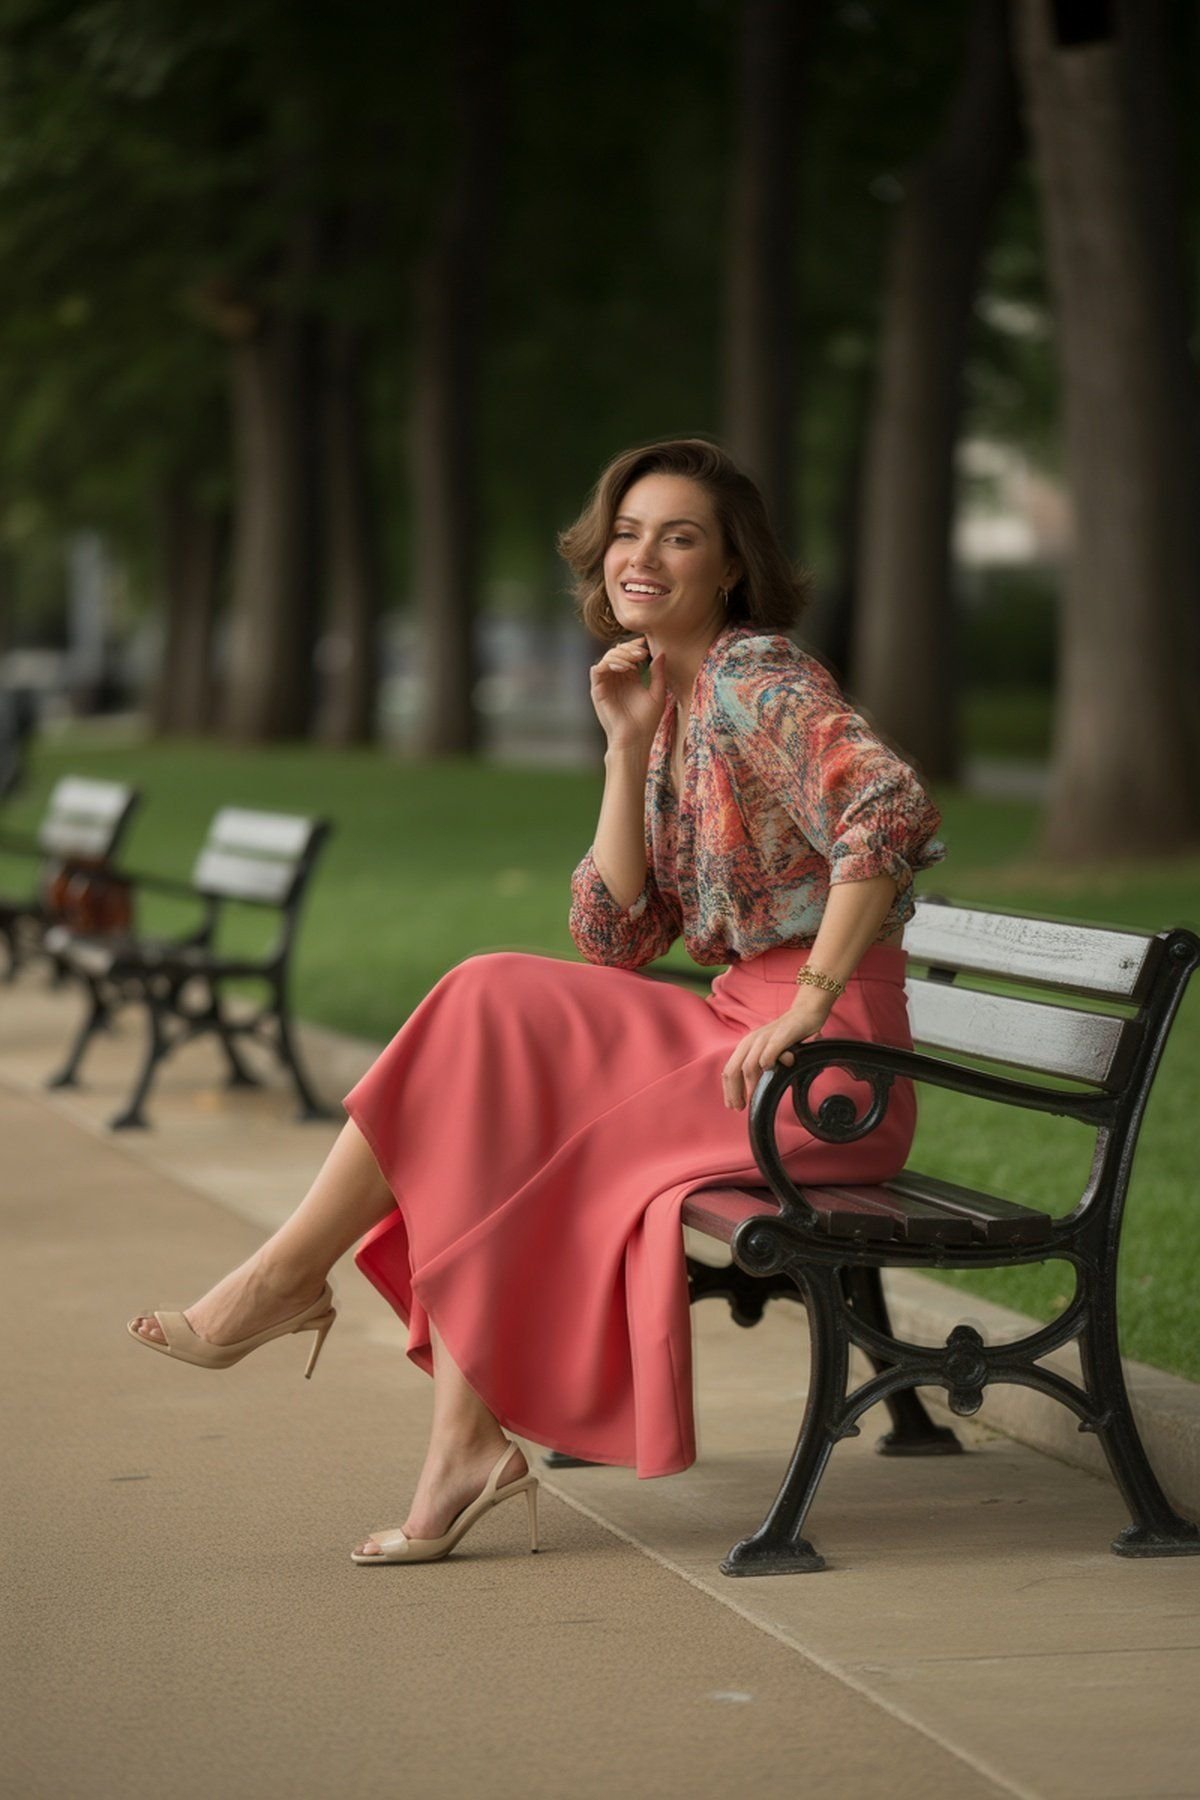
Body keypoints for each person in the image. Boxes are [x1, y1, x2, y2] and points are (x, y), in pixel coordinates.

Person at [128, 436, 945, 1567]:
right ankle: (444, 1428)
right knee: (486, 1017)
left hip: (820, 1073)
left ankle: (289, 1289)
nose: (641, 556)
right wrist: (623, 750)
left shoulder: (760, 677)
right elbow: (614, 938)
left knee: (490, 1053)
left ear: (730, 566)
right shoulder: (670, 693)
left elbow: (890, 813)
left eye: (679, 536)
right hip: (732, 1030)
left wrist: (809, 1003)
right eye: (626, 532)